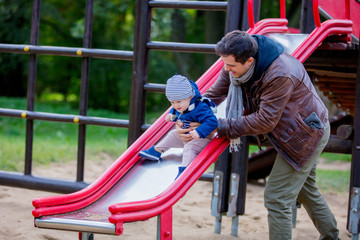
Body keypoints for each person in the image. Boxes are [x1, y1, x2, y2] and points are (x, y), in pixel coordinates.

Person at [177, 30, 339, 239]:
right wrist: (189, 115)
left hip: (306, 135)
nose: (226, 69)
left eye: (231, 66)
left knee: (277, 198)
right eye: (224, 64)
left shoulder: (280, 73)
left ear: (250, 61)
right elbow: (214, 94)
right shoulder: (237, 61)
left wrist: (216, 125)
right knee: (305, 189)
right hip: (292, 131)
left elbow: (265, 120)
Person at [139, 74, 218, 179]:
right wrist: (172, 116)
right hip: (187, 137)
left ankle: (185, 170)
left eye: (179, 102)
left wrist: (199, 131)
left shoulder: (201, 107)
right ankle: (156, 151)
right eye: (172, 102)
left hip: (203, 139)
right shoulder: (181, 106)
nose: (176, 105)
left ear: (190, 97)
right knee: (172, 134)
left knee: (189, 148)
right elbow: (177, 113)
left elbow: (212, 122)